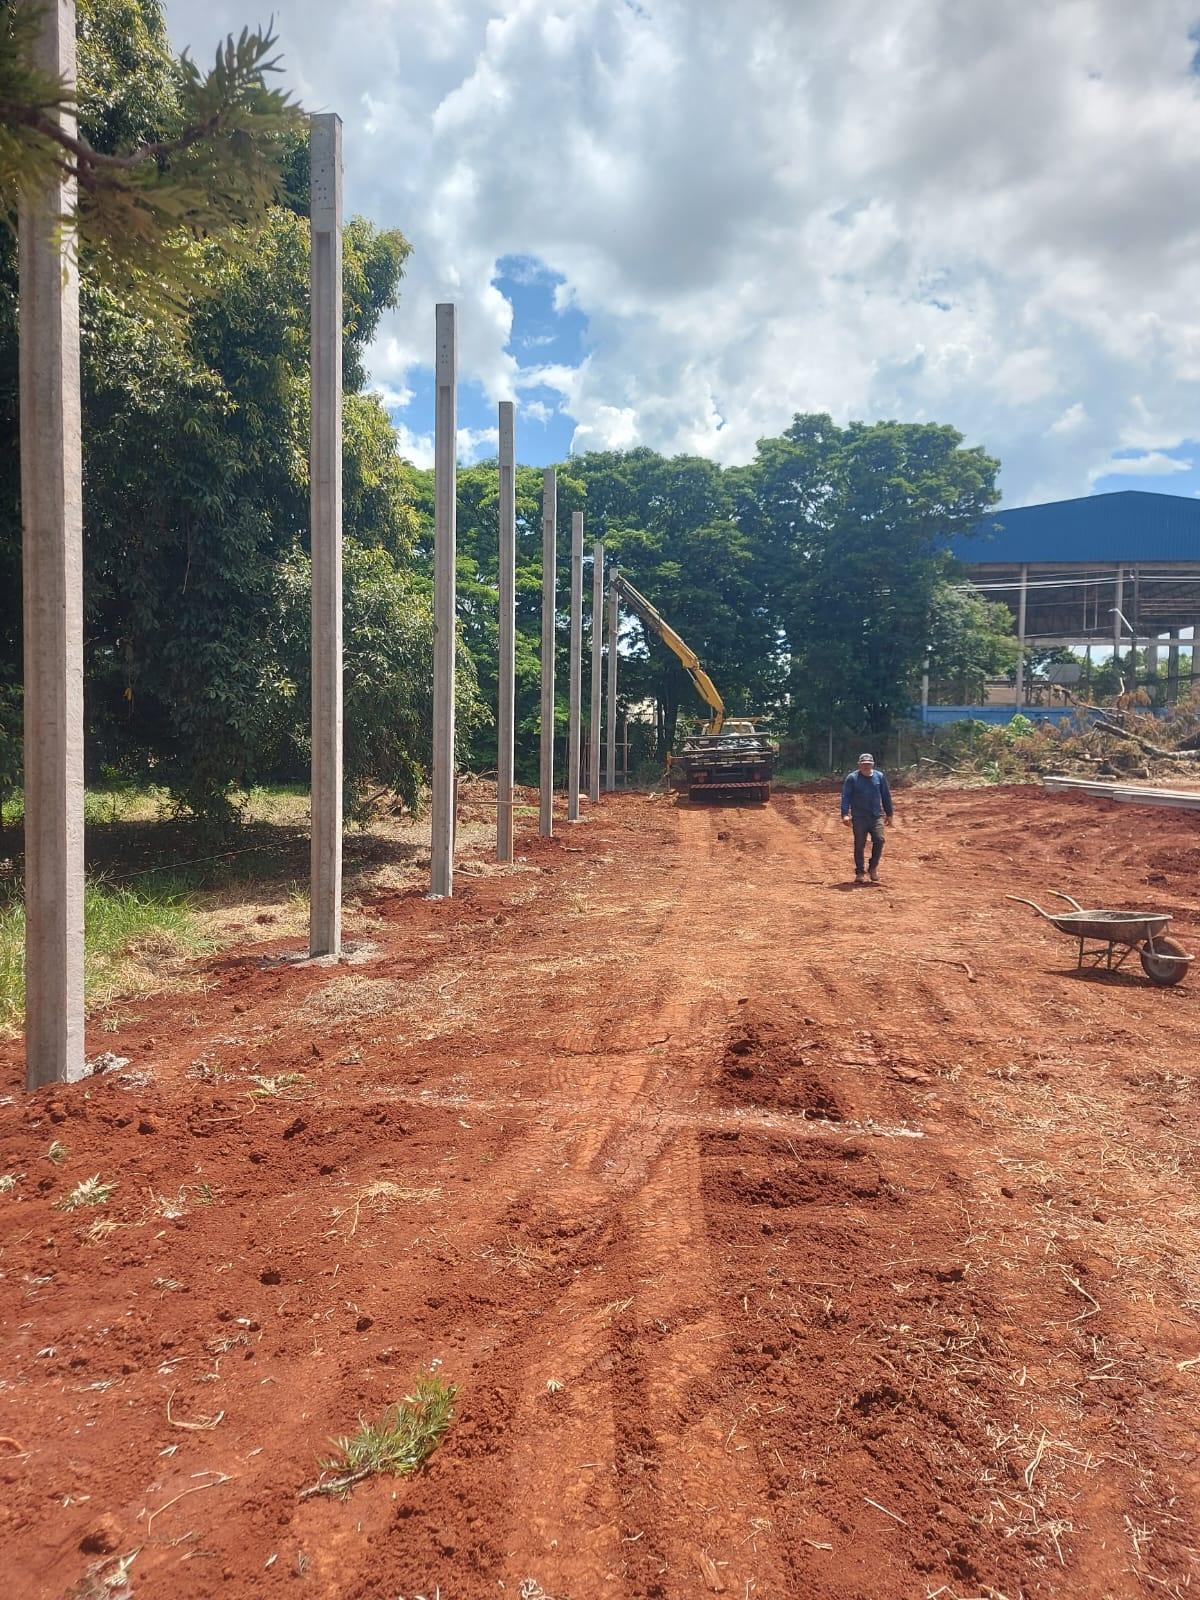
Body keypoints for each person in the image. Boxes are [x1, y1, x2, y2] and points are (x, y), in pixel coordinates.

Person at [840, 752, 893, 884]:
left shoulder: (879, 777)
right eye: (864, 764)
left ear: (872, 765)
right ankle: (859, 872)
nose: (866, 766)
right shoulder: (852, 778)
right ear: (859, 765)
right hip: (859, 817)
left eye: (868, 764)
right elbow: (846, 796)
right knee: (859, 844)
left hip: (876, 816)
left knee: (879, 840)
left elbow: (886, 796)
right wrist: (845, 814)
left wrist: (889, 814)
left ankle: (873, 867)